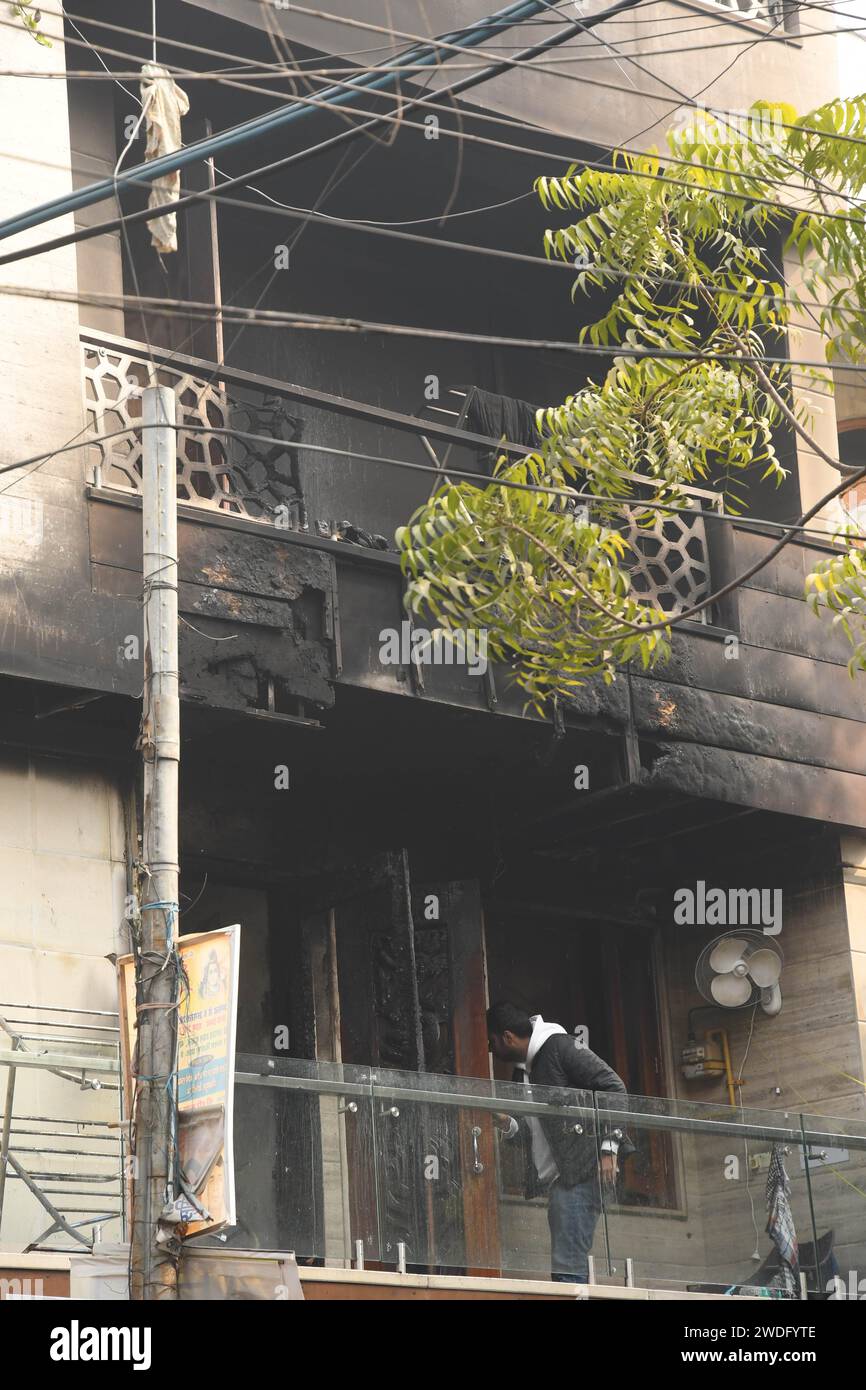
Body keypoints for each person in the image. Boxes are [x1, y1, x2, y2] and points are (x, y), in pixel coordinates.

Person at [487, 1000, 634, 1285]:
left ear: (507, 1037)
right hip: (562, 1177)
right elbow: (534, 1134)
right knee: (566, 1263)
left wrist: (609, 1147)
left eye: (492, 1042)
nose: (491, 1050)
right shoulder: (522, 1072)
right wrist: (508, 1124)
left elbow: (614, 1088)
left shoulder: (560, 1046)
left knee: (567, 1266)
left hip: (582, 1172)